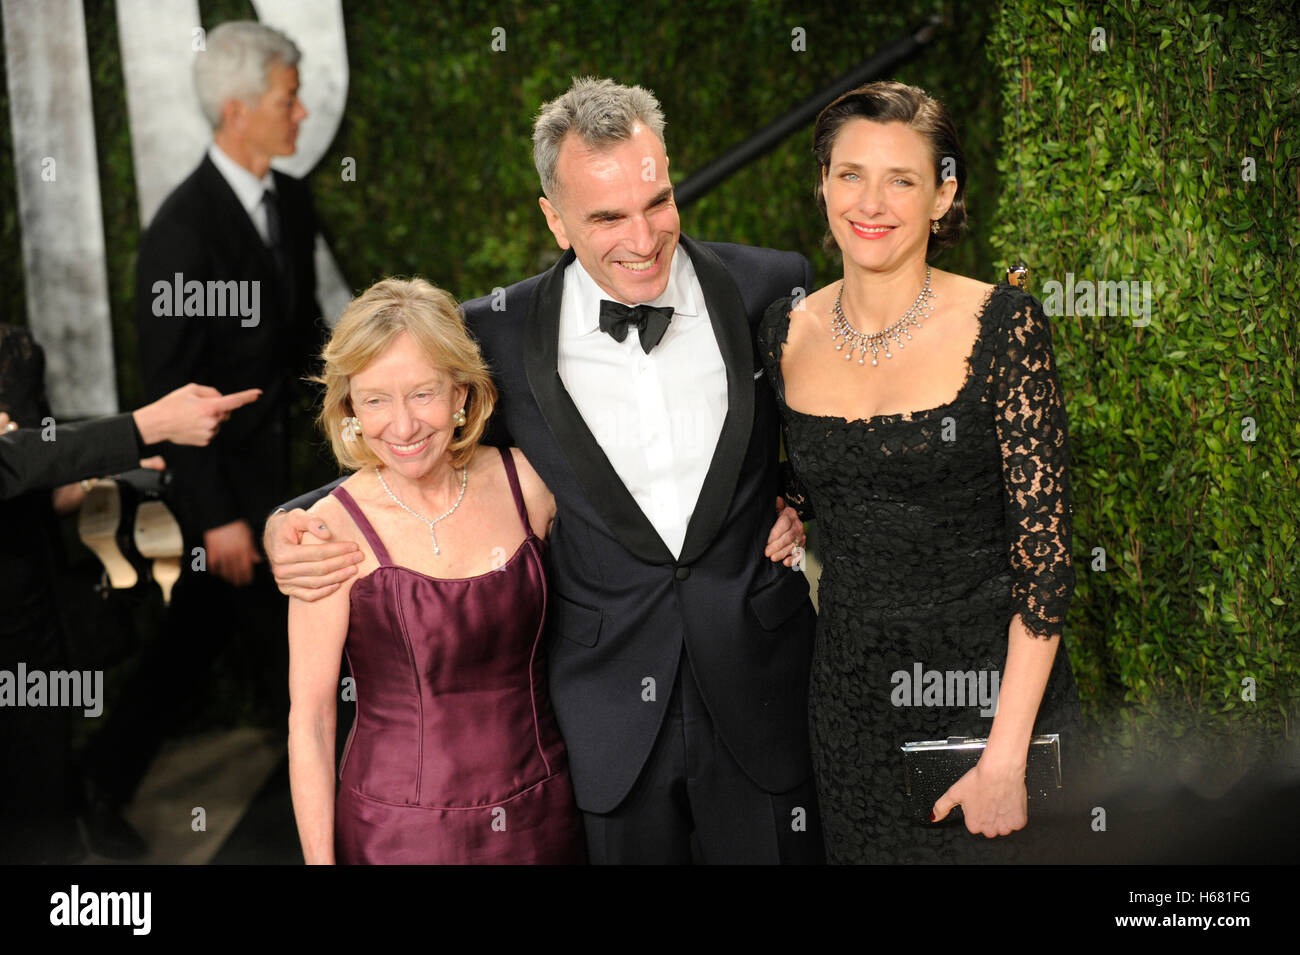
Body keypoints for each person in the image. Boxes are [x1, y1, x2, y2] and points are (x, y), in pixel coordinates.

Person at [267, 77, 822, 864]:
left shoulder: (771, 285)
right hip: (600, 731)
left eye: (656, 201)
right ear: (554, 220)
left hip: (763, 696)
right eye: (605, 217)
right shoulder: (493, 330)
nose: (642, 237)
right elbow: (402, 448)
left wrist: (796, 498)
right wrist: (279, 529)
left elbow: (848, 427)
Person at [756, 80, 1082, 863]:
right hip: (851, 714)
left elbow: (1045, 563)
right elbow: (818, 478)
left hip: (993, 710)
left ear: (944, 194)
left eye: (902, 178)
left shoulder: (1005, 326)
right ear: (823, 185)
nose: (872, 201)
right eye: (850, 174)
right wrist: (784, 508)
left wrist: (1005, 755)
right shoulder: (783, 330)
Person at [82, 20, 325, 850]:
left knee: (193, 643)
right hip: (232, 501)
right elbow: (169, 397)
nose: (302, 113)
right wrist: (219, 517)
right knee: (298, 660)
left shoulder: (288, 199)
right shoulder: (181, 235)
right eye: (288, 100)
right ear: (237, 109)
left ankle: (97, 781)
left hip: (288, 481)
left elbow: (307, 339)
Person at [287, 277, 585, 864]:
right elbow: (313, 723)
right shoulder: (327, 533)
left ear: (462, 394)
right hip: (395, 837)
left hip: (543, 819)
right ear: (350, 409)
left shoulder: (531, 481)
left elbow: (639, 544)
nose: (402, 427)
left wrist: (775, 514)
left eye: (423, 393)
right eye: (374, 400)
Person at [0, 324, 255, 862]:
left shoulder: (15, 353)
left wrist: (94, 477)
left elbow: (24, 479)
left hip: (28, 634)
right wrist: (152, 423)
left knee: (39, 812)